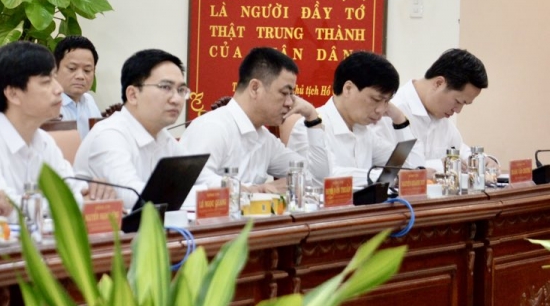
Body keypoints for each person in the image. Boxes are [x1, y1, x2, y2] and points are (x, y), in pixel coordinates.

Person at [0, 42, 117, 203]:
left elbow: (73, 188)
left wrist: (94, 192)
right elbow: (5, 208)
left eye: (55, 79)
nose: (58, 89)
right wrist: (76, 201)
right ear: (13, 93)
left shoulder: (44, 142)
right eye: (46, 82)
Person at [179, 47, 316, 192]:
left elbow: (313, 175)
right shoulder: (212, 127)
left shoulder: (265, 139)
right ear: (255, 88)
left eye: (291, 95)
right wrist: (255, 190)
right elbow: (191, 182)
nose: (289, 103)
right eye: (284, 93)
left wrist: (313, 118)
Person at [73, 49, 190, 211]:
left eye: (181, 90)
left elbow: (198, 179)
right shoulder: (110, 135)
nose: (176, 99)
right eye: (165, 87)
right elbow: (132, 197)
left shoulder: (162, 135)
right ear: (133, 95)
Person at [287, 51, 416, 188]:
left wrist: (399, 119)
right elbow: (324, 178)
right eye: (376, 99)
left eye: (386, 102)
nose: (380, 109)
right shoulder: (308, 127)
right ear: (348, 89)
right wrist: (385, 177)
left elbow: (410, 168)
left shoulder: (365, 132)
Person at [381, 48, 489, 169]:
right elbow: (385, 170)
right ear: (438, 83)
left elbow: (461, 151)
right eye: (458, 101)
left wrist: (484, 161)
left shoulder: (441, 118)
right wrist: (440, 165)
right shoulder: (387, 112)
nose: (458, 110)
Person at [54, 36, 101, 137]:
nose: (80, 76)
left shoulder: (89, 101)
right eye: (72, 68)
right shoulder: (46, 104)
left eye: (87, 70)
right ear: (55, 69)